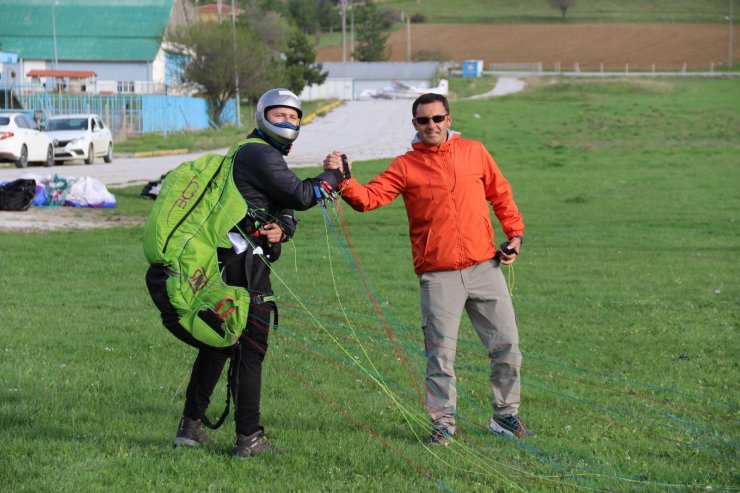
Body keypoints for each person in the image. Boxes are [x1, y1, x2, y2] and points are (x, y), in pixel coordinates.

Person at [146, 88, 344, 458]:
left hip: (229, 263)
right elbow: (302, 195)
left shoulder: (254, 152)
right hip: (240, 270)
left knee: (219, 343)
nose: (287, 121)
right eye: (279, 114)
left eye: (293, 116)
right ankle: (249, 439)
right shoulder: (258, 153)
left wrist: (283, 228)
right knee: (250, 351)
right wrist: (334, 176)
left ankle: (190, 428)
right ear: (262, 115)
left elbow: (279, 205)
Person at [324, 93, 529, 444]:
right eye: (423, 121)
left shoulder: (475, 152)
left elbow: (501, 194)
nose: (431, 125)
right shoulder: (406, 166)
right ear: (414, 124)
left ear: (449, 119)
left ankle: (505, 416)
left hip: (485, 267)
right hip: (439, 276)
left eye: (437, 119)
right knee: (440, 356)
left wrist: (515, 235)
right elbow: (369, 199)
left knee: (507, 346)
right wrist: (342, 180)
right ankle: (443, 424)